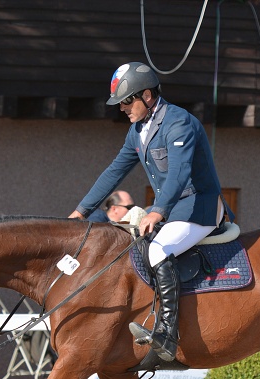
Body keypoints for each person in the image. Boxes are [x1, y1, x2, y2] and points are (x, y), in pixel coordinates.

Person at [69, 62, 233, 362]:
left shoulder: (179, 122)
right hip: (173, 211)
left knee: (157, 252)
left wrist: (157, 211)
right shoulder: (137, 131)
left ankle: (168, 336)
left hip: (199, 208)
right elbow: (113, 172)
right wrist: (81, 211)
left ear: (146, 95)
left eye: (127, 101)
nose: (122, 108)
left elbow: (179, 173)